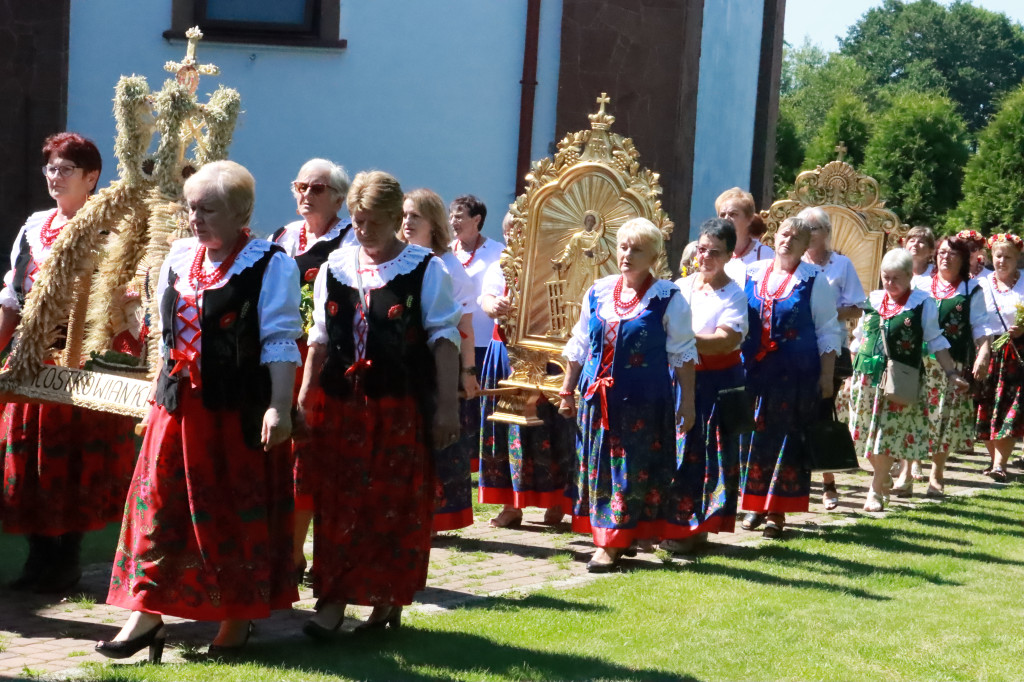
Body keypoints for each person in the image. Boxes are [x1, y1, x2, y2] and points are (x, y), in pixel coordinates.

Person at [99, 160, 302, 661]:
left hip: (235, 414)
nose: (196, 218)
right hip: (178, 409)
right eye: (192, 208)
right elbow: (167, 340)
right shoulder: (180, 256)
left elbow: (280, 340)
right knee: (160, 512)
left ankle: (236, 619)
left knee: (231, 513)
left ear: (242, 212)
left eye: (208, 209)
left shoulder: (270, 263)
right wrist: (155, 394)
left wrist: (279, 407)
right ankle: (145, 615)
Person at [298, 171, 460, 637]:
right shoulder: (337, 267)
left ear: (394, 219)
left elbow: (444, 340)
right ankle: (331, 603)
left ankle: (385, 601)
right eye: (356, 219)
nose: (362, 229)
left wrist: (447, 407)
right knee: (338, 502)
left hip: (398, 406)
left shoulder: (425, 269)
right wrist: (307, 394)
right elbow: (321, 339)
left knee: (388, 503)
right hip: (342, 405)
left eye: (371, 221)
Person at [0, 133, 137, 594]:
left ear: (91, 177)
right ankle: (39, 560)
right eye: (50, 169)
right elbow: (12, 299)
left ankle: (68, 559)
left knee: (76, 460)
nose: (54, 178)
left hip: (82, 365)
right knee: (32, 461)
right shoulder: (34, 226)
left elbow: (124, 300)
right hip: (32, 361)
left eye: (65, 170)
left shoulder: (112, 230)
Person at [558, 218, 697, 572]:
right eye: (623, 246)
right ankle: (613, 537)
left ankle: (612, 544)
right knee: (600, 470)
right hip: (597, 401)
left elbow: (682, 353)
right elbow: (581, 344)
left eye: (637, 249)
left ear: (653, 255)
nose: (627, 254)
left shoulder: (668, 297)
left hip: (643, 405)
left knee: (630, 472)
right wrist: (567, 390)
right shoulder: (599, 291)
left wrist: (689, 401)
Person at [271, 157, 353, 581]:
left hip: (322, 359)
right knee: (280, 454)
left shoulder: (350, 241)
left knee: (308, 454)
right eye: (300, 185)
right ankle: (283, 547)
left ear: (339, 196)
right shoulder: (284, 235)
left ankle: (298, 552)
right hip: (281, 353)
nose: (305, 194)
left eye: (316, 188)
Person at [740, 217, 843, 538]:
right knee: (753, 440)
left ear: (806, 246)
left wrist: (827, 377)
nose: (788, 241)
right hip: (755, 374)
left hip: (795, 377)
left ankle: (777, 512)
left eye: (796, 238)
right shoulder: (753, 273)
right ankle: (754, 505)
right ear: (775, 236)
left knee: (786, 443)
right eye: (784, 234)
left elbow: (828, 331)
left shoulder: (814, 280)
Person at [847, 249, 968, 512]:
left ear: (909, 277)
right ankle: (884, 473)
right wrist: (850, 372)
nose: (889, 284)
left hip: (898, 382)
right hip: (866, 379)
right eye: (885, 277)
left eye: (896, 278)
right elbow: (858, 338)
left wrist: (951, 373)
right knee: (867, 438)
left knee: (885, 437)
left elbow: (936, 341)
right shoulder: (873, 299)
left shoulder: (922, 303)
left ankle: (875, 490)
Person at [478, 213, 573, 527]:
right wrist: (494, 305)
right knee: (507, 428)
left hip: (544, 356)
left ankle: (556, 501)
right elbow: (487, 299)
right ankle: (511, 504)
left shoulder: (553, 265)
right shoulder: (499, 266)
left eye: (521, 229)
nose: (513, 235)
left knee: (549, 427)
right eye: (509, 230)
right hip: (505, 353)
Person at [663, 218, 748, 553]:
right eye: (701, 250)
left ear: (728, 255)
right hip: (681, 380)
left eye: (714, 252)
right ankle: (679, 525)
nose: (706, 258)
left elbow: (724, 341)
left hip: (716, 386)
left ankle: (698, 527)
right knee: (679, 454)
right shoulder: (680, 288)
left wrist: (680, 340)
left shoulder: (735, 295)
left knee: (708, 456)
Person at [401, 187, 478, 532]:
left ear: (433, 223)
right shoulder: (399, 260)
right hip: (406, 364)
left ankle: (432, 517)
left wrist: (467, 371)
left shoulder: (448, 267)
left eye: (414, 216)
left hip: (438, 365)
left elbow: (464, 327)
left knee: (436, 440)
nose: (406, 222)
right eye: (403, 215)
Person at [907, 236, 993, 497]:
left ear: (963, 259)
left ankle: (937, 474)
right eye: (942, 252)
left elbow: (980, 325)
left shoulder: (971, 289)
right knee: (913, 414)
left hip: (950, 364)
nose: (945, 257)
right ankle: (908, 470)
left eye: (952, 253)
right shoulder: (920, 285)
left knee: (943, 418)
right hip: (918, 362)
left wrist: (983, 353)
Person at [798, 207, 866, 510]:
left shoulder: (842, 264)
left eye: (813, 229)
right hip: (796, 346)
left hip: (831, 346)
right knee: (794, 413)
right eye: (804, 229)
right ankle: (794, 482)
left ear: (826, 232)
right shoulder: (794, 263)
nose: (808, 235)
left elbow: (856, 308)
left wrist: (824, 310)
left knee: (822, 410)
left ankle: (828, 483)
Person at [449, 195, 504, 472]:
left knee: (483, 403)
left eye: (459, 216)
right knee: (459, 401)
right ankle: (462, 460)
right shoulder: (447, 252)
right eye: (451, 216)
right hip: (455, 340)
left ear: (477, 220)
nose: (452, 221)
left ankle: (484, 462)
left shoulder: (498, 252)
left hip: (485, 340)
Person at [976, 233, 1024, 482]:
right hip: (988, 350)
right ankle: (993, 460)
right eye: (998, 256)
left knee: (1010, 408)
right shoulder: (982, 284)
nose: (1002, 261)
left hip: (1018, 354)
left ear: (1017, 259)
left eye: (1008, 257)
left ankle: (1000, 464)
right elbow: (975, 320)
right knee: (986, 405)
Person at [717, 187, 773, 284]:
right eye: (722, 215)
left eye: (733, 214)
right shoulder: (714, 252)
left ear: (749, 219)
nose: (726, 219)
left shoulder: (764, 254)